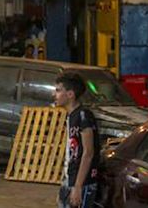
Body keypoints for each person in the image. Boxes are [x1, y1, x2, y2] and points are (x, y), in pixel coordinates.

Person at [54, 72, 100, 208]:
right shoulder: (71, 116)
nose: (54, 94)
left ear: (70, 94)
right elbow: (72, 153)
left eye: (58, 90)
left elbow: (88, 153)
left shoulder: (83, 115)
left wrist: (78, 186)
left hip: (82, 182)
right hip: (70, 179)